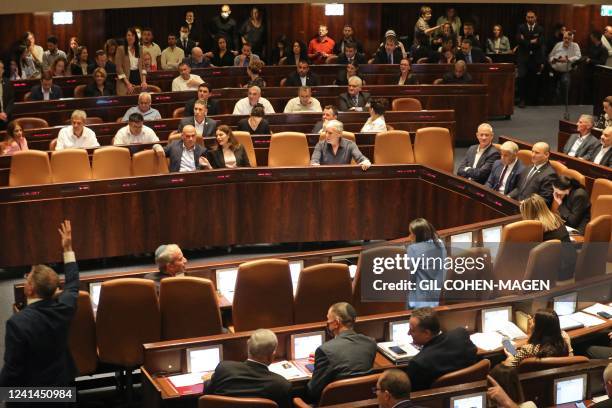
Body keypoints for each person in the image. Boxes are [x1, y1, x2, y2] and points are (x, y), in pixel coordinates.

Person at [0, 220, 78, 388]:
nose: (25, 279)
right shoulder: (65, 308)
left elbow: (12, 371)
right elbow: (72, 284)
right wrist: (68, 248)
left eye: (27, 278)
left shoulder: (17, 324)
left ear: (30, 289)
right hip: (62, 390)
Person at [307, 302, 377, 402]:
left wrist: (322, 361)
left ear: (336, 323)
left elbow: (313, 391)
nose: (327, 322)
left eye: (328, 319)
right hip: (363, 403)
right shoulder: (370, 343)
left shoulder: (325, 350)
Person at [204, 329, 292, 408]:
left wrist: (207, 381)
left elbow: (208, 396)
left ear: (248, 348)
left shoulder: (223, 368)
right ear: (272, 356)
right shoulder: (282, 385)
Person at [404, 307, 478, 391]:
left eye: (412, 330)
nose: (408, 333)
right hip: (470, 390)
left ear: (427, 333)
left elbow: (413, 394)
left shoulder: (418, 364)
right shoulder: (461, 334)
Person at [503, 309, 572, 367]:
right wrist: (569, 345)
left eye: (533, 321)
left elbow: (508, 368)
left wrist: (510, 357)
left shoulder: (529, 349)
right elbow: (570, 360)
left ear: (539, 328)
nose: (530, 322)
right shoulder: (562, 346)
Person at [405, 219, 446, 308]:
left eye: (411, 234)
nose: (409, 237)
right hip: (436, 296)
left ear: (418, 235)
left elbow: (410, 277)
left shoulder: (413, 248)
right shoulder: (440, 244)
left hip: (419, 301)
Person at [516, 11, 545, 108]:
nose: (530, 19)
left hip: (535, 58)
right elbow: (519, 40)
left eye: (532, 17)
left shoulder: (540, 29)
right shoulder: (521, 27)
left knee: (533, 80)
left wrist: (526, 40)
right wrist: (531, 41)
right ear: (526, 18)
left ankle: (532, 100)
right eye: (528, 17)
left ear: (535, 17)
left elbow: (540, 42)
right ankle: (522, 100)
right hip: (523, 58)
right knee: (522, 78)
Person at [549, 31, 581, 105]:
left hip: (566, 71)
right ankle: (553, 105)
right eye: (565, 38)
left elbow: (578, 56)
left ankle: (563, 104)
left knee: (565, 85)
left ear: (572, 39)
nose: (566, 40)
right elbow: (551, 55)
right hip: (555, 69)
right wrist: (553, 60)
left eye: (569, 39)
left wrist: (568, 59)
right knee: (552, 89)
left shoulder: (575, 46)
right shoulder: (558, 44)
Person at [115, 27, 146, 96]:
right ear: (125, 37)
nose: (130, 37)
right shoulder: (120, 49)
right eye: (128, 35)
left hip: (138, 78)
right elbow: (119, 68)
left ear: (135, 37)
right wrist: (128, 84)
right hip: (125, 80)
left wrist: (144, 81)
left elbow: (143, 67)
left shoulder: (140, 48)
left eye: (132, 35)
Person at [0, 61, 15, 130]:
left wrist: (5, 113)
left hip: (7, 117)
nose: (0, 70)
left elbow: (11, 100)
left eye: (1, 68)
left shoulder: (7, 82)